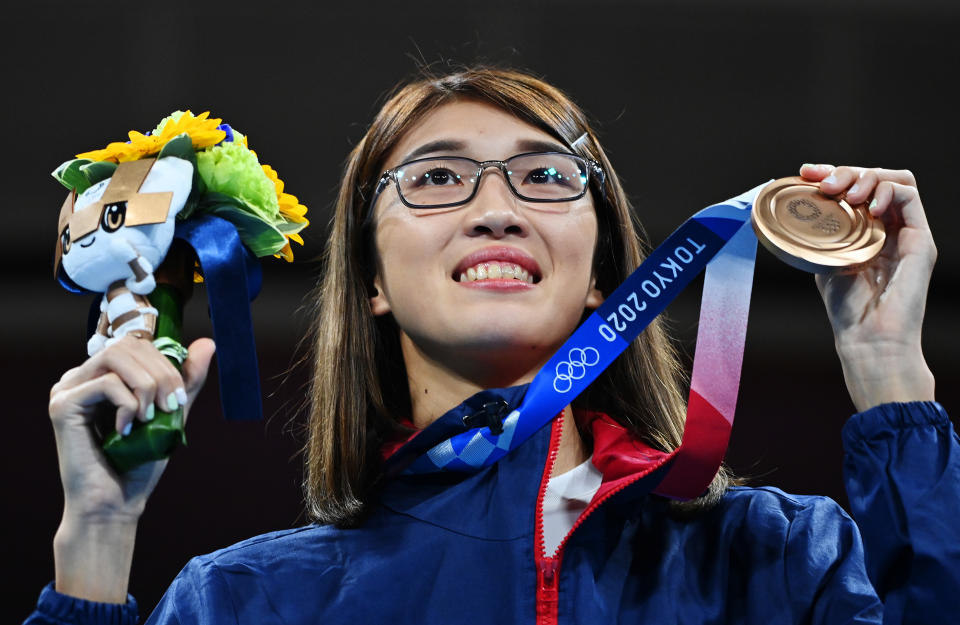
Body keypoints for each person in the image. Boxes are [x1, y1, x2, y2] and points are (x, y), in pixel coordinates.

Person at [26, 67, 958, 624]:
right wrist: (97, 546)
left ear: (604, 271)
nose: (497, 209)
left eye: (546, 175)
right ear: (374, 282)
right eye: (436, 177)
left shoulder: (778, 562)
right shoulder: (245, 602)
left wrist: (889, 377)